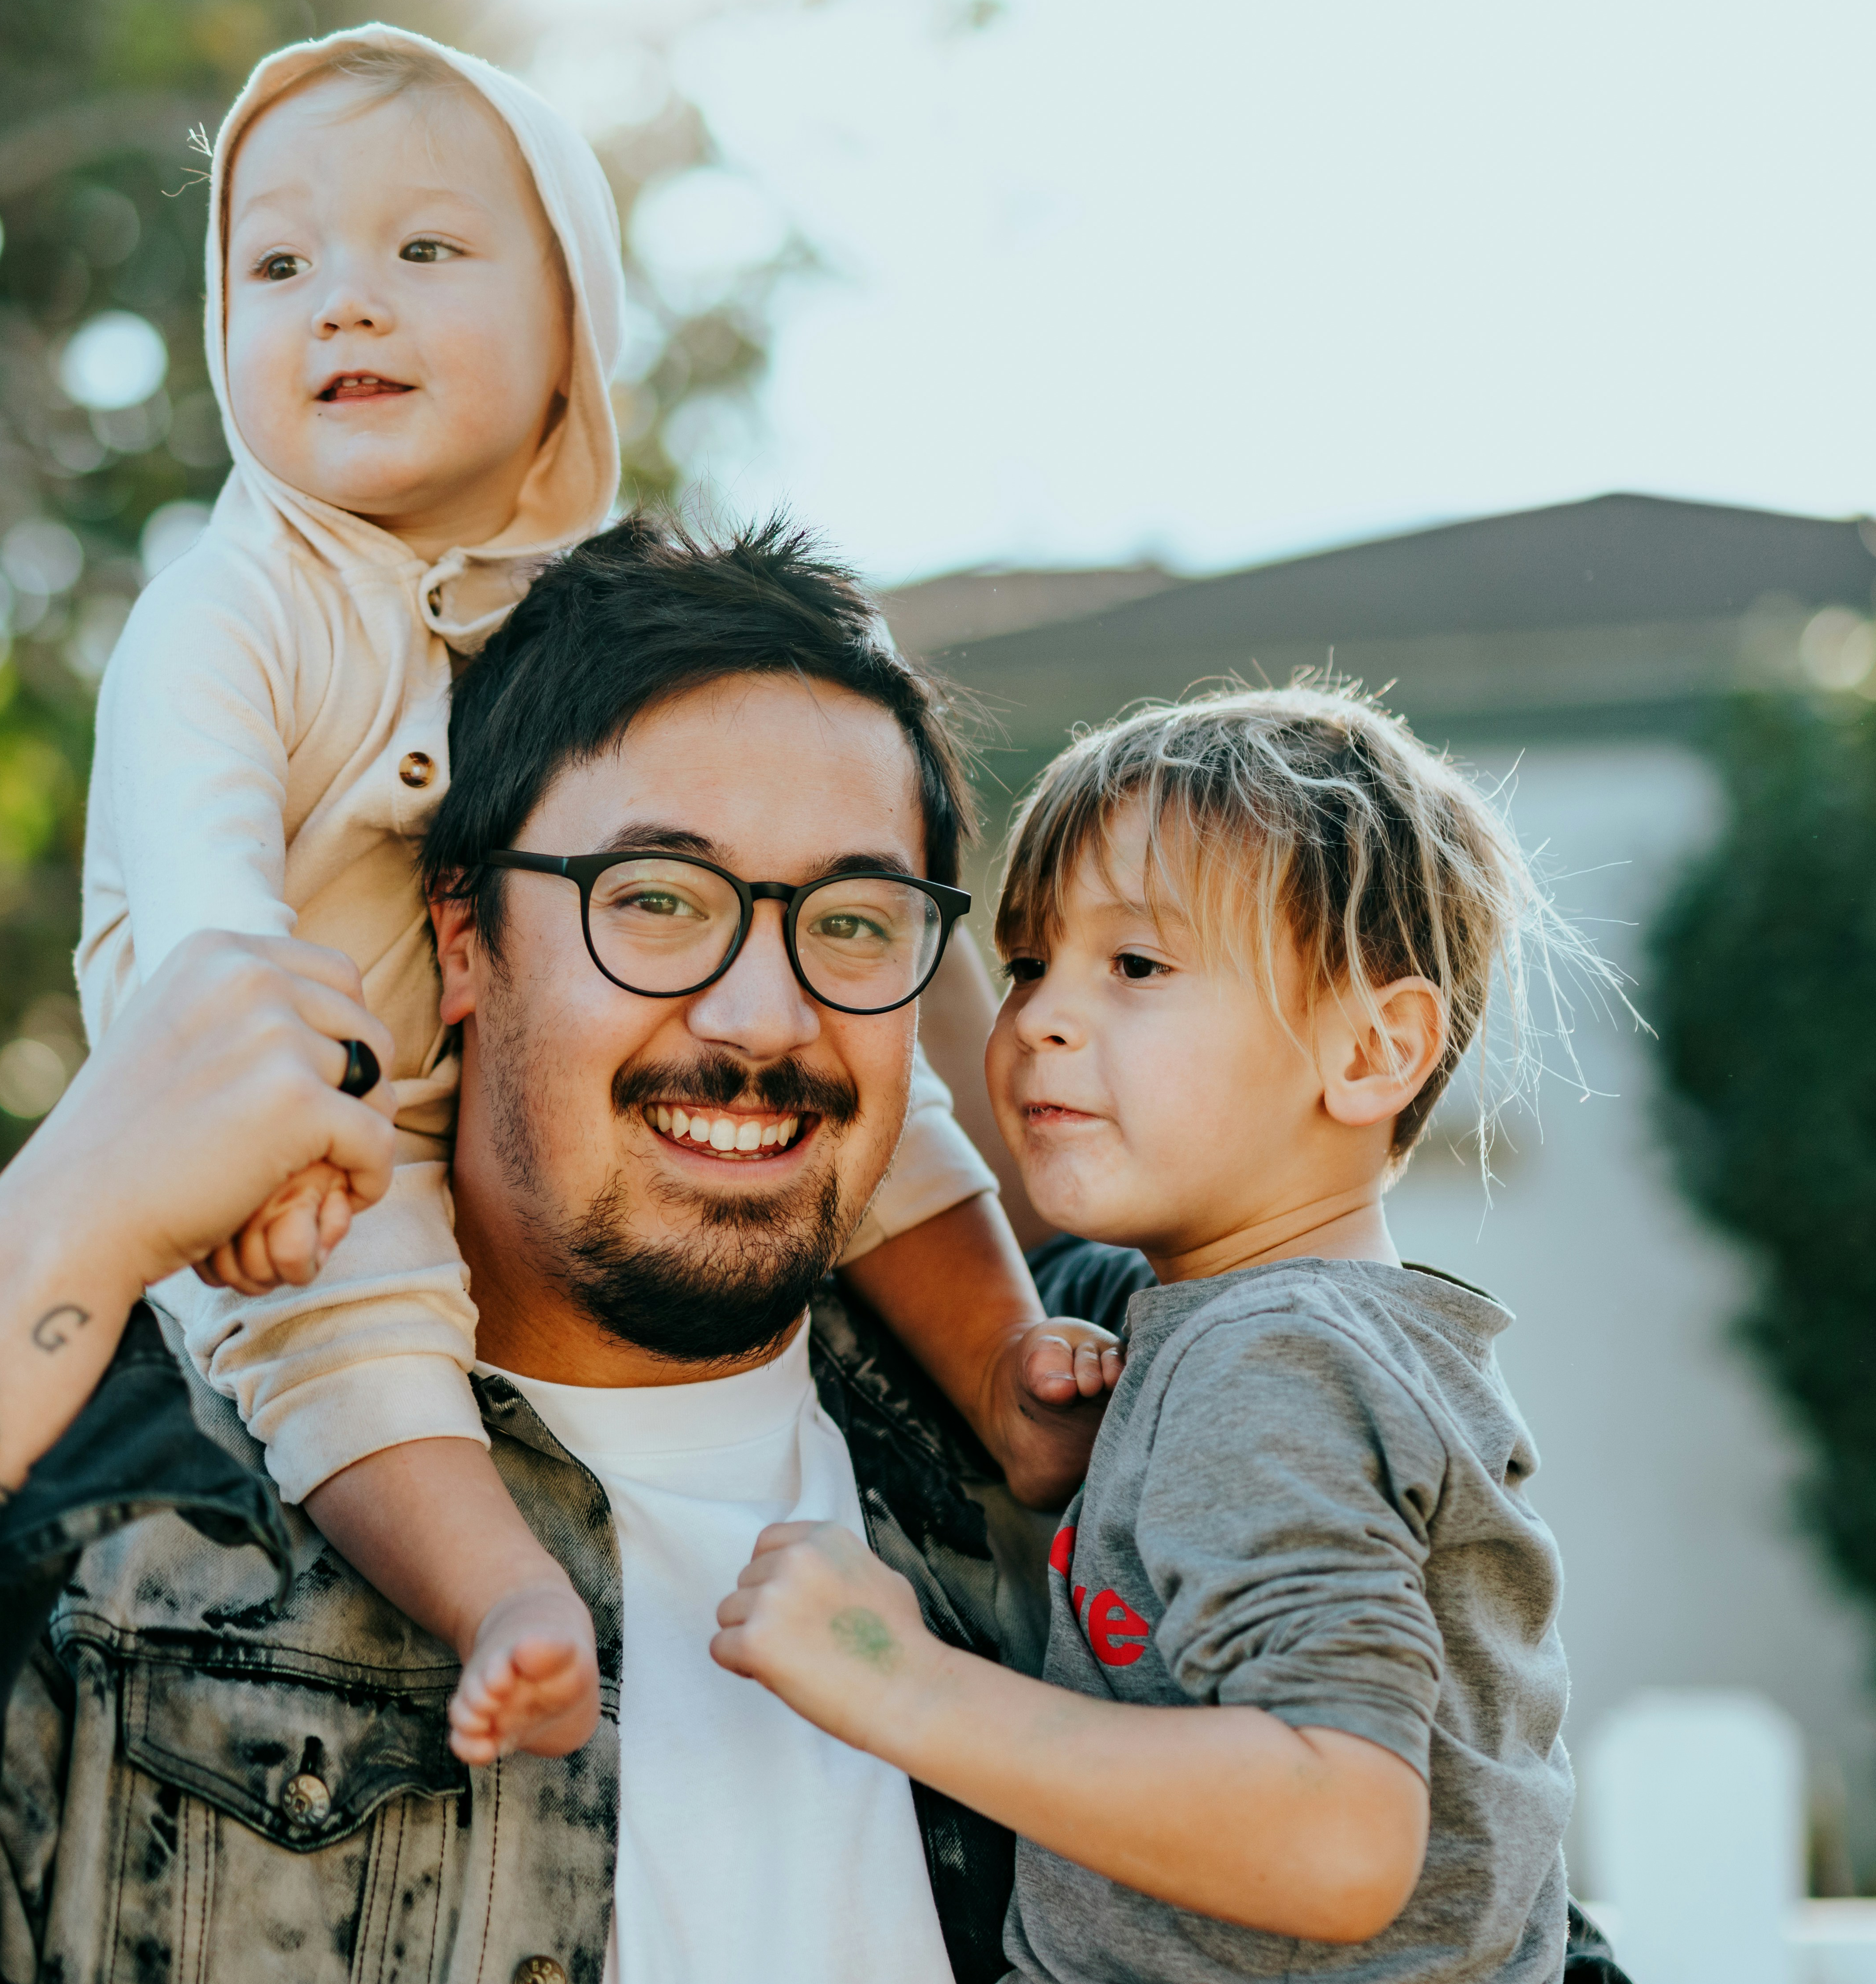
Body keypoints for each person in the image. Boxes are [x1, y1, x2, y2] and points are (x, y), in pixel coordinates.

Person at [0, 516, 1057, 1984]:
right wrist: (57, 1218)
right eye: (655, 902)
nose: (762, 1016)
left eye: (854, 923)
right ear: (461, 939)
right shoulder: (133, 1540)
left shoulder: (1092, 1472)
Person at [74, 24, 1110, 1773]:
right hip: (290, 1120)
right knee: (351, 1334)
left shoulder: (599, 616)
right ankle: (502, 1595)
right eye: (277, 264)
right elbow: (203, 908)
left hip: (461, 1087)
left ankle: (1008, 1374)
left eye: (422, 252)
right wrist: (264, 1138)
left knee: (872, 1092)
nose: (344, 303)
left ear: (573, 329)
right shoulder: (233, 608)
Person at [713, 683, 1597, 1984]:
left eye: (1135, 965)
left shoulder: (1269, 1363)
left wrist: (894, 1679)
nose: (1040, 1020)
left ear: (1370, 1049)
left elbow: (1341, 1831)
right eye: (1027, 963)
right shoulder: (1281, 1332)